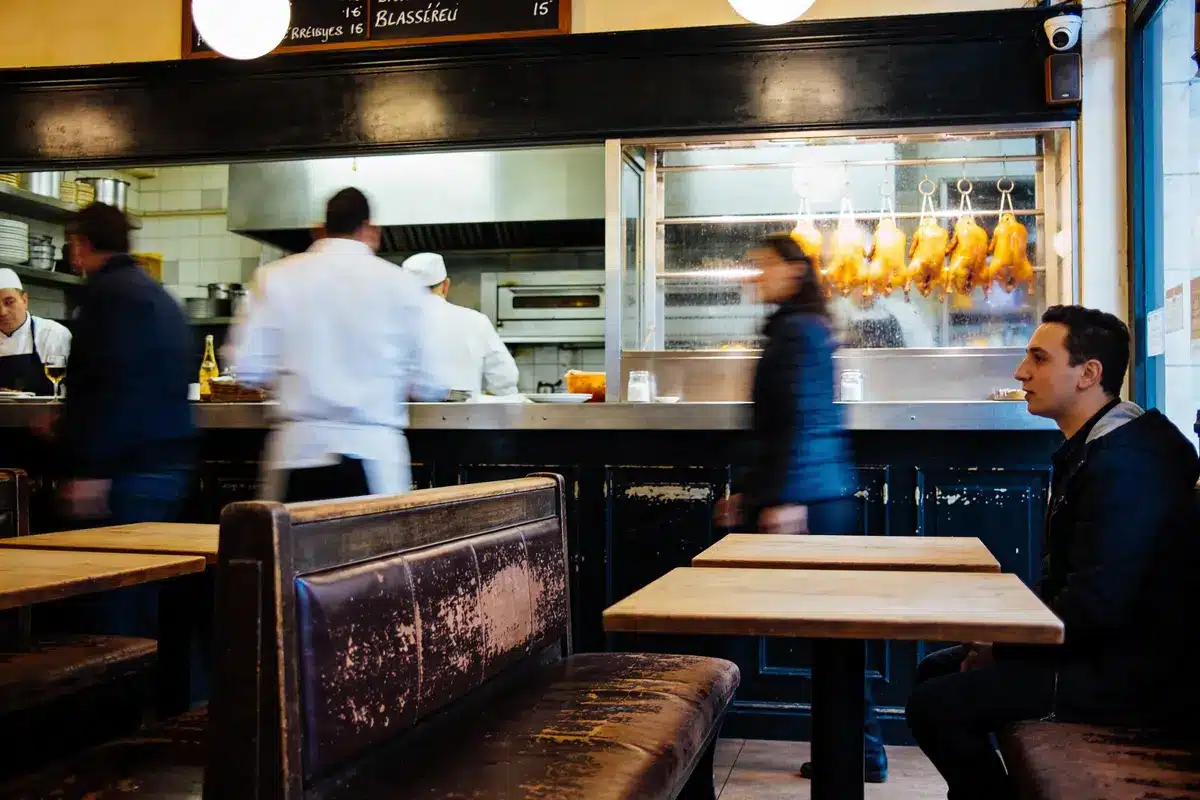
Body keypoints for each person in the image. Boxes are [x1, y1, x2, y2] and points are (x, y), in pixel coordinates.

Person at [905, 305, 1200, 800]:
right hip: (1112, 651)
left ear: (1089, 374)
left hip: (1135, 675)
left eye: (1039, 359)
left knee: (936, 704)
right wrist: (1001, 642)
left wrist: (1004, 647)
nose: (1021, 372)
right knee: (936, 669)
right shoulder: (1105, 444)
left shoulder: (1124, 465)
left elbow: (1096, 606)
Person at [714, 231, 887, 784]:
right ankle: (861, 748)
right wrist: (752, 490)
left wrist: (785, 498)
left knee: (832, 630)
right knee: (830, 628)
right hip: (810, 493)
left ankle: (859, 750)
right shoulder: (796, 326)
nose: (754, 276)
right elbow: (781, 420)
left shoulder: (800, 331)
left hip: (809, 500)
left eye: (763, 266)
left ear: (794, 270)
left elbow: (806, 417)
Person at [227, 188, 444, 504]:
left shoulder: (274, 278)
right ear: (371, 231)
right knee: (375, 554)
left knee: (293, 553)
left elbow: (246, 369)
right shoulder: (402, 286)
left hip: (298, 455)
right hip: (375, 460)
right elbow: (431, 384)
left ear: (320, 229)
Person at [55, 203, 196, 523]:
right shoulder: (156, 293)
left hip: (127, 469)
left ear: (81, 243)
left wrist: (92, 469)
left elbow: (111, 386)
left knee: (110, 567)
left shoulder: (107, 295)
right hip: (167, 460)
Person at [400, 252, 519, 398]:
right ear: (445, 286)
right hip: (464, 418)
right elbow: (505, 378)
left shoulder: (389, 324)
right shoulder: (476, 321)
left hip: (403, 418)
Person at [0, 267, 71, 395]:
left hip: (46, 414)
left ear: (25, 300)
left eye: (9, 302)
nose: (2, 312)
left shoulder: (54, 334)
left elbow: (73, 389)